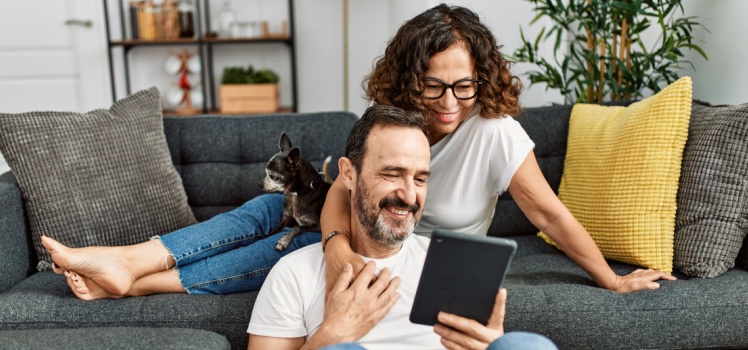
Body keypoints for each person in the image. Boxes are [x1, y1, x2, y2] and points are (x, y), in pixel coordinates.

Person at [320, 4, 675, 293]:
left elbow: (549, 215)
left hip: (428, 270)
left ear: (482, 78)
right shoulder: (389, 121)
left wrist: (611, 279)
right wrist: (335, 247)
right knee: (271, 215)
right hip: (360, 244)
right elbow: (343, 187)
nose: (449, 103)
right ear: (410, 80)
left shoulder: (497, 133)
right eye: (433, 86)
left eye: (464, 86)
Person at [248, 104, 557, 350]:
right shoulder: (293, 274)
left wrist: (489, 346)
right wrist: (329, 336)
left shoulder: (451, 266)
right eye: (392, 174)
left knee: (526, 346)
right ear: (349, 174)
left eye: (420, 179)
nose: (410, 195)